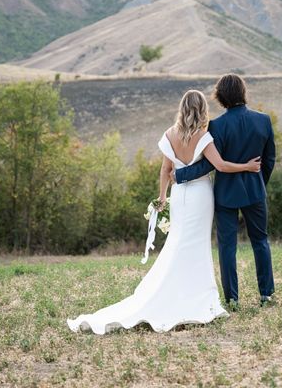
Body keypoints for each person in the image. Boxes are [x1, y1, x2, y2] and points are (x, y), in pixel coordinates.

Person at [67, 89, 261, 334]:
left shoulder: (169, 134)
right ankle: (194, 297)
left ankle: (175, 292)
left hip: (178, 196)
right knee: (196, 244)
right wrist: (247, 166)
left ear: (182, 108)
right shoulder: (204, 137)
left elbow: (165, 169)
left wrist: (162, 197)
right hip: (200, 196)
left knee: (178, 241)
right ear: (202, 110)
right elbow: (220, 165)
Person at [173, 74, 276, 309]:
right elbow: (269, 160)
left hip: (225, 195)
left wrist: (180, 175)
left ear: (220, 96)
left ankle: (232, 299)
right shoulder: (263, 120)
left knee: (227, 247)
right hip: (255, 191)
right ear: (243, 92)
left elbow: (211, 163)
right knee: (260, 241)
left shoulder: (217, 125)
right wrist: (259, 182)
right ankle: (266, 294)